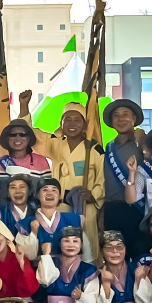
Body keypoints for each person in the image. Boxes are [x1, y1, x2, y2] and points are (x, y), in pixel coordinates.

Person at [20, 94, 104, 261]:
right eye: (68, 119)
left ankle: (88, 274)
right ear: (61, 123)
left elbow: (102, 179)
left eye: (77, 120)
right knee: (61, 244)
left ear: (85, 124)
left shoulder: (94, 149)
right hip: (59, 205)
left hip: (85, 206)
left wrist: (93, 194)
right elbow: (31, 135)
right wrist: (24, 106)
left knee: (87, 247)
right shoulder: (55, 144)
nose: (72, 124)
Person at [27, 226, 98, 303]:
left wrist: (82, 297)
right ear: (59, 243)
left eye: (75, 241)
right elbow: (45, 280)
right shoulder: (49, 262)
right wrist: (46, 255)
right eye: (66, 241)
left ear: (81, 245)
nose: (71, 245)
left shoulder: (88, 270)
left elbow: (93, 301)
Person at [101, 99, 146, 257]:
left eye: (125, 114)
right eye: (116, 115)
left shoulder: (143, 143)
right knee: (114, 256)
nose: (121, 119)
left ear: (134, 118)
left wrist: (143, 141)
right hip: (112, 209)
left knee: (140, 255)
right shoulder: (108, 146)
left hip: (138, 209)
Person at [16, 179, 84, 262]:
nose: (49, 193)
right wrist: (33, 233)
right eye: (45, 190)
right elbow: (23, 256)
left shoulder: (74, 220)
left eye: (54, 190)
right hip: (38, 268)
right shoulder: (25, 224)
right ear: (37, 195)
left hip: (68, 268)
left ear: (60, 196)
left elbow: (86, 254)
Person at [0, 119, 51, 198]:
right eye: (13, 135)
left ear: (28, 138)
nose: (17, 138)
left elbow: (47, 190)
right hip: (4, 206)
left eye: (22, 135)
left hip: (34, 206)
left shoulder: (41, 161)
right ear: (7, 139)